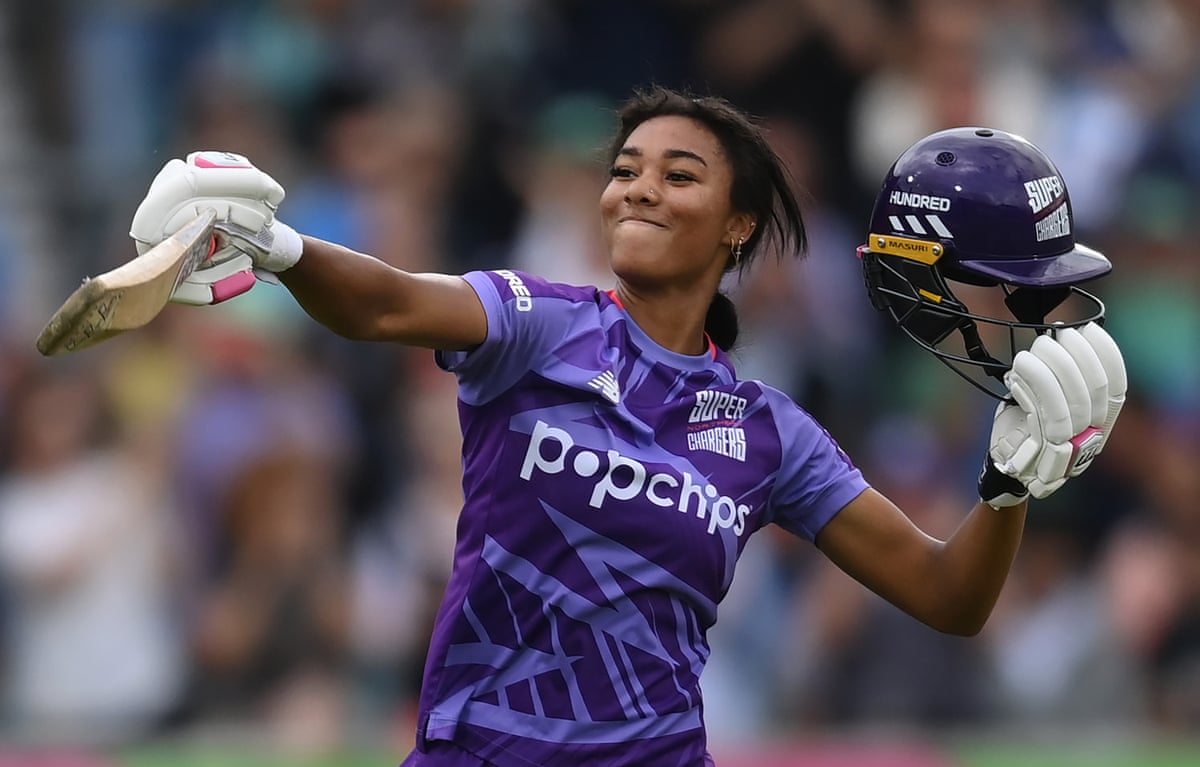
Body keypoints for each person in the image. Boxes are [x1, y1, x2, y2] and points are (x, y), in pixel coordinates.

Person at [127, 87, 1126, 766]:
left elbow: (949, 595)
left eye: (679, 174)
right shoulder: (538, 322)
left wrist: (1008, 488)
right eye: (626, 168)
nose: (637, 187)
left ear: (737, 224)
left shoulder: (770, 432)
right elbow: (386, 302)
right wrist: (283, 246)